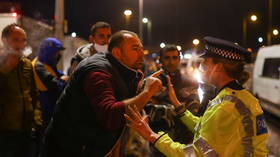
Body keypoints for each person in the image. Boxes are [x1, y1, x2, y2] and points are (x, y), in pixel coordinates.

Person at [125, 36, 269, 157]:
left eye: (205, 63)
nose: (202, 67)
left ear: (217, 67)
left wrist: (151, 136)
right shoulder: (240, 97)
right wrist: (177, 104)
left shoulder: (225, 107)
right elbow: (205, 129)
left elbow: (195, 153)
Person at [41, 30, 163, 157]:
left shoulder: (122, 70)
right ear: (117, 53)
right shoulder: (98, 73)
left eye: (141, 49)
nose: (141, 54)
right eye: (135, 49)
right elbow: (110, 115)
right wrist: (147, 92)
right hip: (69, 149)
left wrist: (141, 89)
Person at [144, 45, 200, 156]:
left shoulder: (189, 81)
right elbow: (148, 112)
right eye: (167, 58)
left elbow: (193, 110)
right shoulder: (152, 81)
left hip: (184, 141)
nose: (171, 61)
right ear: (161, 60)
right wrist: (179, 108)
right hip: (158, 141)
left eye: (175, 58)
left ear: (179, 59)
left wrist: (162, 107)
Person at [0, 24, 42, 157]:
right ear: (4, 40)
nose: (20, 44)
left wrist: (36, 122)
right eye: (15, 40)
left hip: (26, 129)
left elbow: (33, 94)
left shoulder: (27, 64)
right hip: (5, 131)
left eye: (23, 40)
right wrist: (5, 70)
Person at [32, 37, 68, 128]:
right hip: (44, 113)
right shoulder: (38, 66)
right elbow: (54, 84)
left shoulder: (47, 64)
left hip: (52, 112)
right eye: (56, 53)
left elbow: (58, 75)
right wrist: (63, 80)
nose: (58, 55)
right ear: (48, 53)